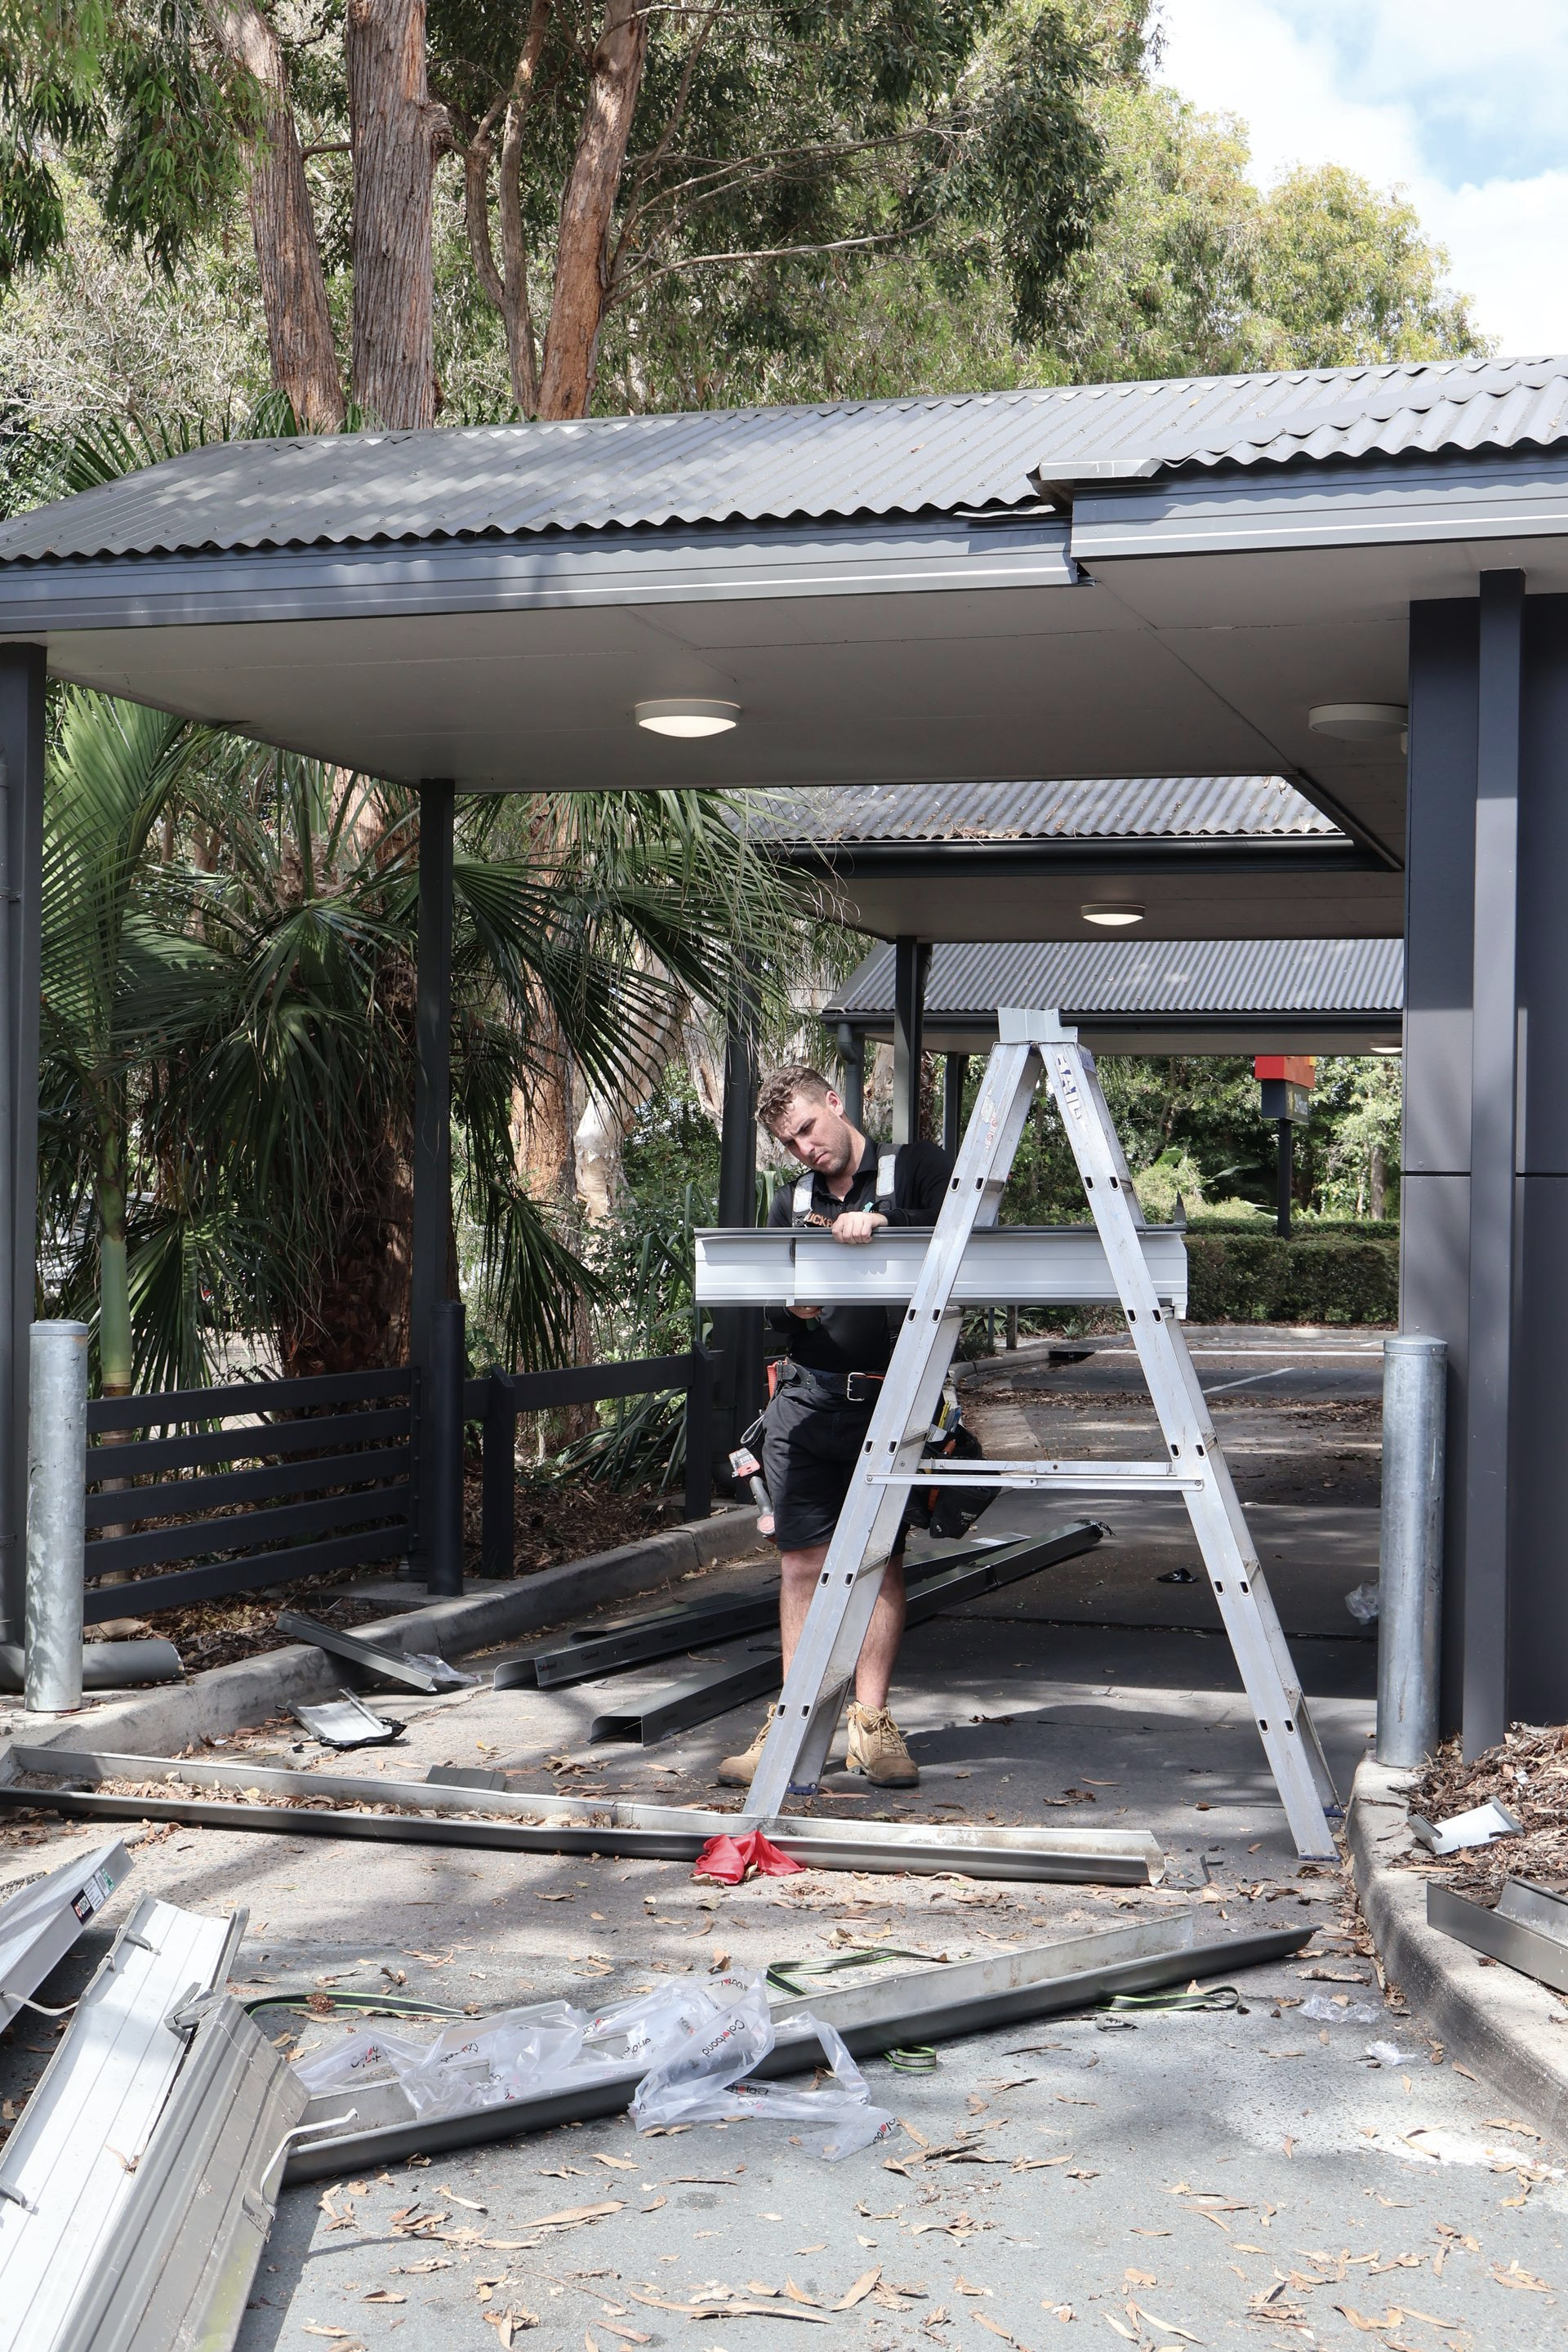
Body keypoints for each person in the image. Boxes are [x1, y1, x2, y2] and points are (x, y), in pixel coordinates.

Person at [716, 1063, 953, 1790]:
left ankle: (871, 1727)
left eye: (809, 1130)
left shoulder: (915, 1166)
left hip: (892, 1401)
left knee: (879, 1562)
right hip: (807, 1400)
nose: (806, 1151)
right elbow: (764, 1305)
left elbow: (964, 1231)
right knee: (801, 1564)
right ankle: (791, 1725)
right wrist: (793, 1308)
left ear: (835, 1103)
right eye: (790, 1144)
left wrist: (884, 1222)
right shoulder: (792, 1201)